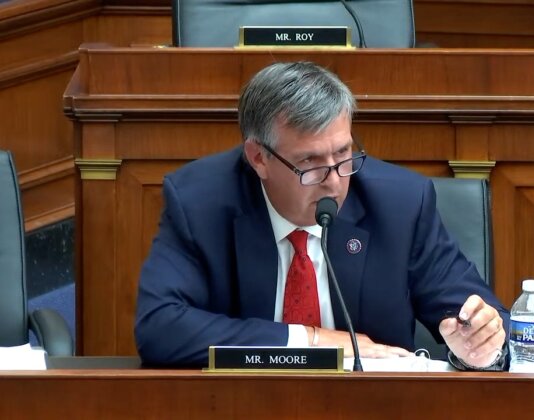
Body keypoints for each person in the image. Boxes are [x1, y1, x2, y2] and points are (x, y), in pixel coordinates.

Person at [134, 61, 509, 369]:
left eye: (343, 153)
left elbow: (486, 320)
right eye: (310, 162)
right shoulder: (200, 202)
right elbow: (160, 327)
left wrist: (480, 347)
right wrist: (310, 340)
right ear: (259, 158)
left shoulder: (401, 204)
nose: (334, 181)